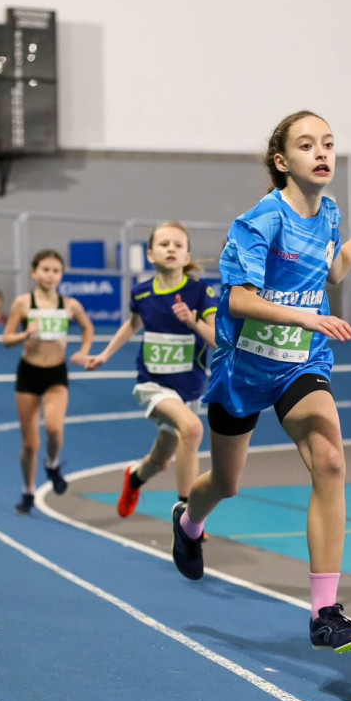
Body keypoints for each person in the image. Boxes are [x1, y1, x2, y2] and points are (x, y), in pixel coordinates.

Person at [169, 110, 351, 653]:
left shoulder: (329, 214)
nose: (322, 152)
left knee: (330, 461)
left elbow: (336, 269)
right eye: (307, 145)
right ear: (282, 161)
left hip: (300, 364)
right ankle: (188, 520)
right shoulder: (260, 221)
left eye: (328, 143)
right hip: (243, 369)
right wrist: (305, 315)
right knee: (227, 484)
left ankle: (325, 612)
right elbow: (239, 299)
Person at [85, 221, 217, 517]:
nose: (171, 249)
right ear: (150, 254)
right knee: (193, 430)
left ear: (186, 256)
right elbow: (132, 326)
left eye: (178, 245)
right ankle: (187, 515)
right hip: (152, 385)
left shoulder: (200, 292)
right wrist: (104, 355)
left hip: (189, 390)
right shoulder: (142, 293)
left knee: (160, 460)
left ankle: (134, 479)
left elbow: (218, 341)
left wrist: (192, 322)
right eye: (164, 244)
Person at [3, 250, 95, 515]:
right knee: (30, 443)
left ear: (61, 275)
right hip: (29, 373)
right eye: (45, 269)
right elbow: (6, 338)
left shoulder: (69, 305)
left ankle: (52, 464)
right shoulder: (23, 303)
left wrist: (84, 350)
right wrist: (24, 335)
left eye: (55, 270)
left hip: (56, 373)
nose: (50, 275)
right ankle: (28, 491)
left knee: (54, 428)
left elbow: (87, 327)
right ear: (34, 272)